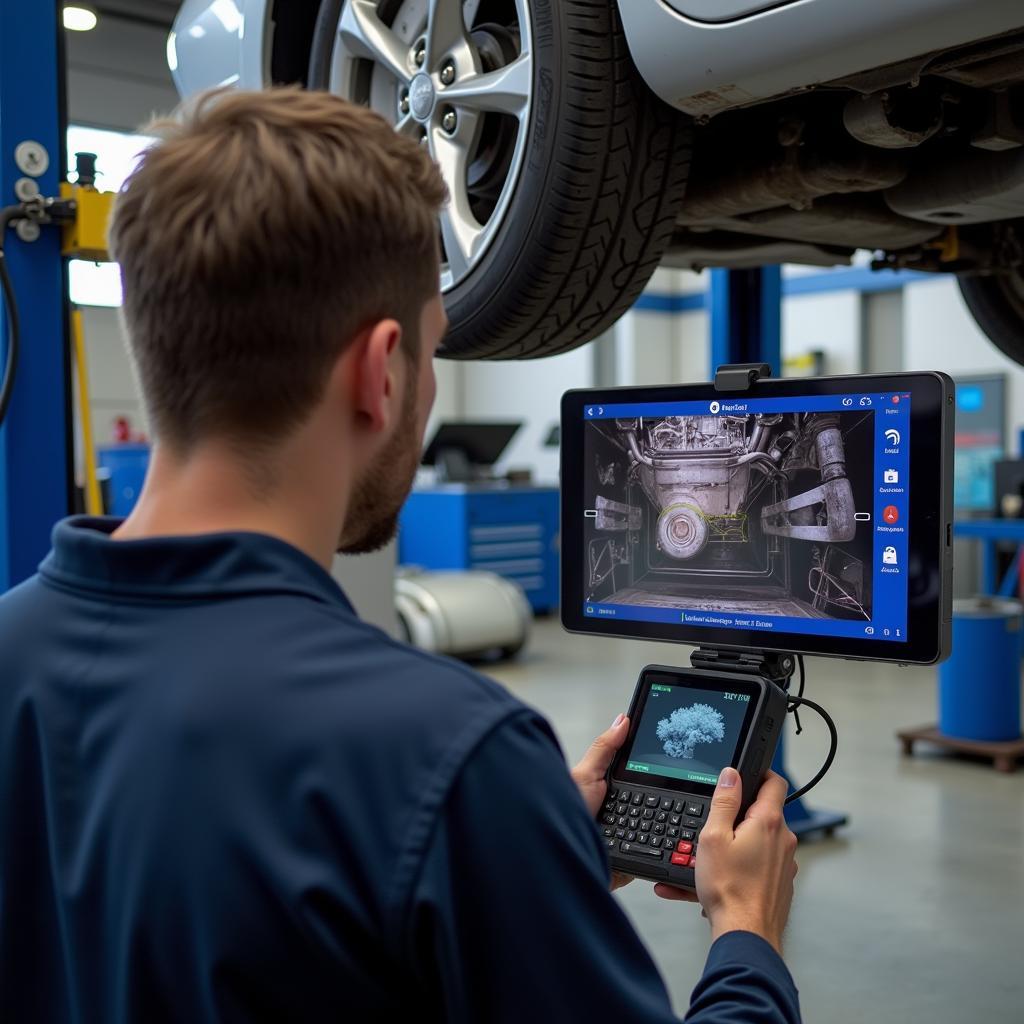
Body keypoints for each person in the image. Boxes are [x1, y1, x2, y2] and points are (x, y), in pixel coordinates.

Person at [0, 88, 800, 1024]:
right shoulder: (446, 758)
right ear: (380, 373)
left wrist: (521, 856)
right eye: (432, 351)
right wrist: (747, 936)